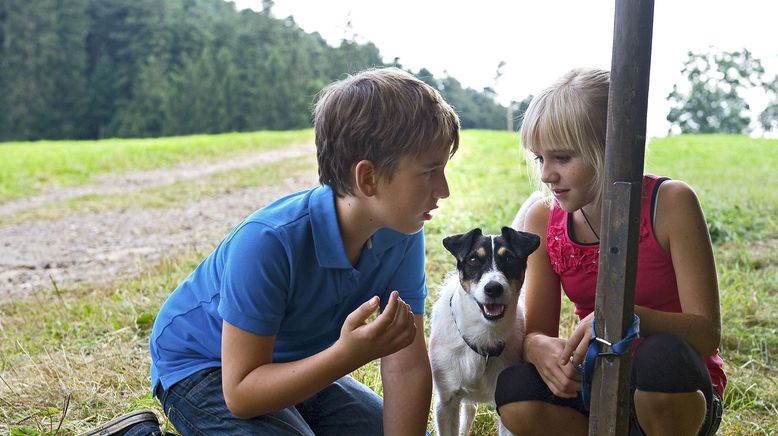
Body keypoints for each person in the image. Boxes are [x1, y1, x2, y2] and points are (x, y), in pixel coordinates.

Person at [82, 67, 460, 436]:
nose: (443, 190)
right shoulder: (269, 241)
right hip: (205, 367)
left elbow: (406, 367)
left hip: (291, 363)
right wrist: (346, 356)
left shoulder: (400, 231)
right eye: (429, 172)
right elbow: (242, 394)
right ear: (368, 178)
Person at [494, 68, 725, 436]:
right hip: (597, 386)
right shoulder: (543, 218)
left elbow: (706, 332)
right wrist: (539, 348)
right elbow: (537, 329)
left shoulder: (671, 203)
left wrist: (620, 316)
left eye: (563, 158)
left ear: (610, 148)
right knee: (514, 391)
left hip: (673, 389)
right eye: (540, 159)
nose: (546, 175)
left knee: (659, 357)